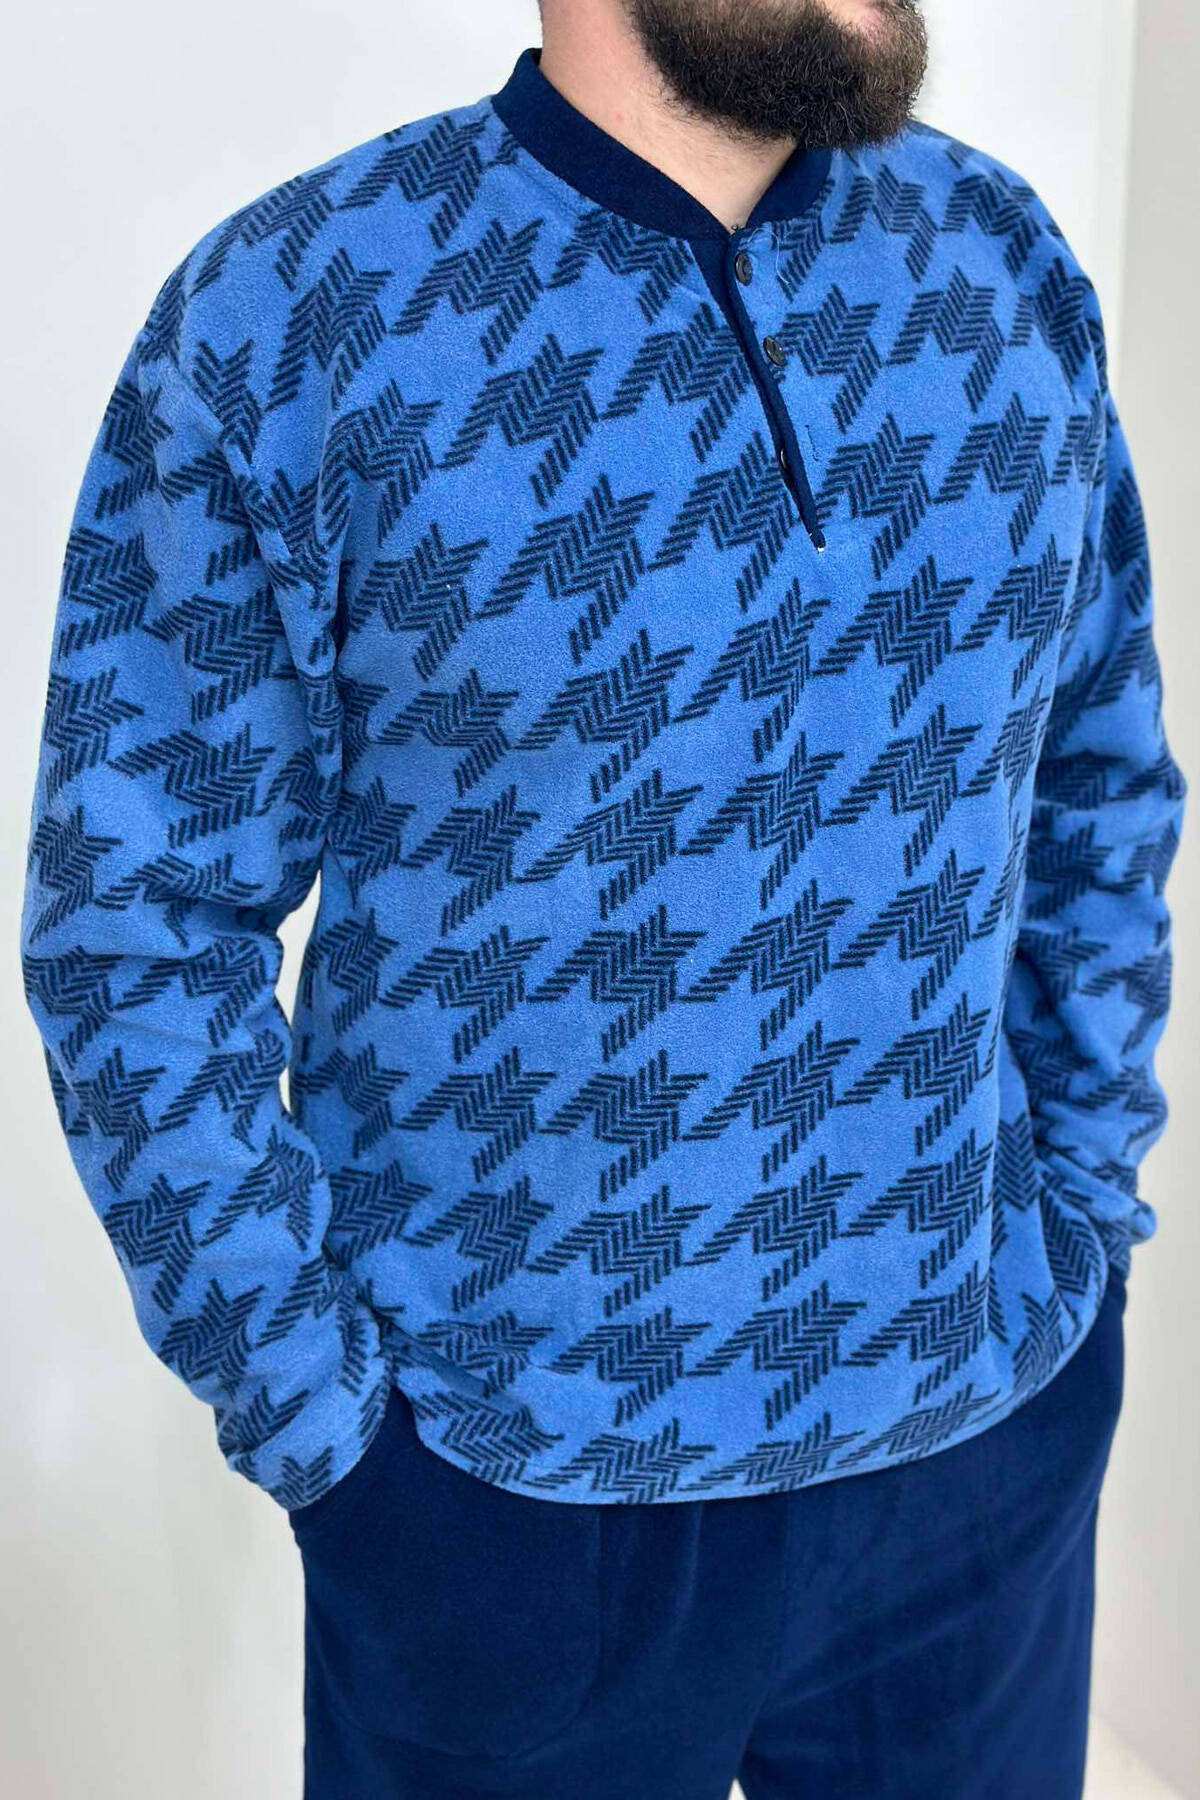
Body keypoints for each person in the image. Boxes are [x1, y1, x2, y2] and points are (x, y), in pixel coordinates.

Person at [19, 1, 1188, 1794]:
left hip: (978, 1458)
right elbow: (135, 928)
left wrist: (1084, 1230)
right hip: (506, 1505)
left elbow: (1101, 778)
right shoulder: (300, 314)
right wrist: (337, 1441)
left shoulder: (1001, 262)